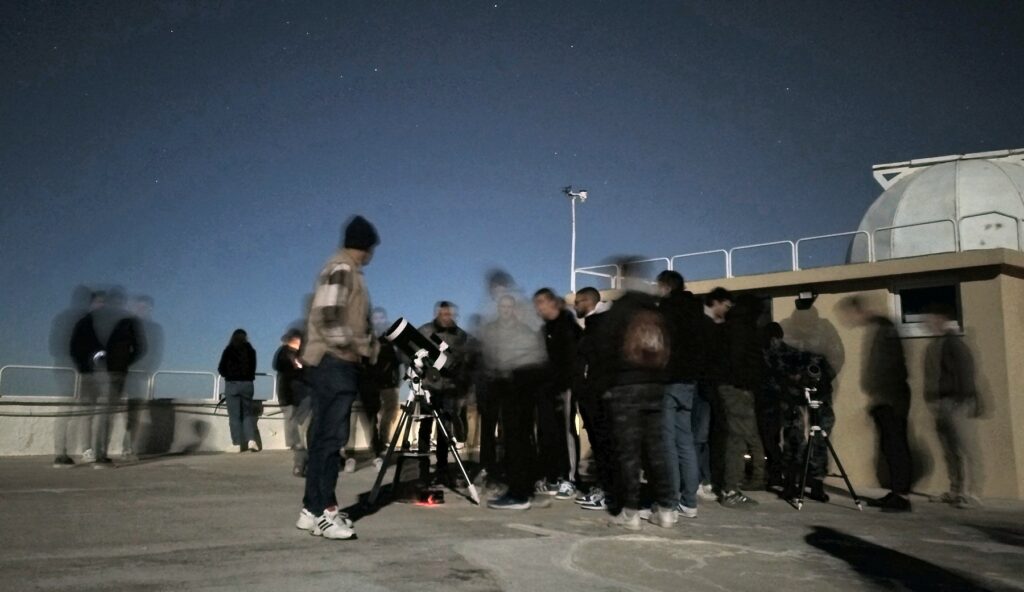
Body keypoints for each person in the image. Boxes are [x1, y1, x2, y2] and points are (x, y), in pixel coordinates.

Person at [294, 215, 379, 540]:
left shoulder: (342, 267)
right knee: (331, 440)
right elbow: (328, 315)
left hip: (329, 364)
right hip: (335, 363)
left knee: (322, 439)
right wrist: (354, 347)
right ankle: (325, 513)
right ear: (366, 247)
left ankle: (310, 509)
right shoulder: (343, 267)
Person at [595, 267, 675, 529]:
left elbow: (604, 349)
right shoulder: (655, 311)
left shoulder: (620, 310)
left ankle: (630, 512)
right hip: (655, 385)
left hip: (626, 386)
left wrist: (605, 385)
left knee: (628, 451)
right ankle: (665, 509)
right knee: (657, 448)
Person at [839, 296, 913, 513]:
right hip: (885, 398)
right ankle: (897, 492)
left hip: (891, 399)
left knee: (895, 445)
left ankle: (901, 496)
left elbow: (893, 366)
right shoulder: (878, 329)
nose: (849, 320)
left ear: (858, 311)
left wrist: (884, 397)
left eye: (850, 315)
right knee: (888, 446)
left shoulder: (885, 329)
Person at [483, 293, 549, 510]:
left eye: (509, 307)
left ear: (514, 309)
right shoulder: (491, 330)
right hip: (502, 391)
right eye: (503, 306)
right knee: (512, 440)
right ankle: (520, 488)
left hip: (519, 392)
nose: (506, 310)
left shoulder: (524, 331)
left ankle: (519, 493)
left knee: (519, 441)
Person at [763, 323, 836, 502]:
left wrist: (805, 383)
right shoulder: (778, 356)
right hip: (793, 399)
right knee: (794, 439)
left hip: (816, 398)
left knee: (816, 441)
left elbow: (826, 374)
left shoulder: (792, 356)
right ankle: (792, 483)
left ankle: (814, 483)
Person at [708, 292, 764, 508]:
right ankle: (730, 490)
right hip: (737, 388)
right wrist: (747, 383)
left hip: (729, 386)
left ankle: (728, 486)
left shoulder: (729, 326)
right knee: (737, 440)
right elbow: (739, 359)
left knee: (731, 438)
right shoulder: (743, 327)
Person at [924, 304, 982, 509]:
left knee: (966, 448)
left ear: (941, 320)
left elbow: (966, 372)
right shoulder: (935, 345)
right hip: (941, 403)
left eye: (931, 320)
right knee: (949, 450)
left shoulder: (954, 343)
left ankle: (973, 494)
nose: (927, 324)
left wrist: (963, 400)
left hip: (956, 402)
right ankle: (956, 490)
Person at [656, 270, 704, 518]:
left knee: (667, 444)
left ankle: (670, 502)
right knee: (685, 442)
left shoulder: (666, 310)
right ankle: (689, 502)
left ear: (666, 286)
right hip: (689, 382)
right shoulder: (696, 310)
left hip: (668, 381)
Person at [532, 288, 582, 500]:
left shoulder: (568, 326)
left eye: (541, 303)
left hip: (564, 388)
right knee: (547, 433)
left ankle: (569, 478)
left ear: (552, 303)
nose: (538, 308)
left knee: (566, 431)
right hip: (546, 390)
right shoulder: (544, 330)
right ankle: (551, 475)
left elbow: (572, 360)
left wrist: (564, 385)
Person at [571, 287, 616, 511]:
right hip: (591, 396)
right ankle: (603, 488)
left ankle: (609, 492)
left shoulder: (603, 325)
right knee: (599, 445)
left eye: (578, 302)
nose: (574, 306)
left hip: (600, 397)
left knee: (606, 445)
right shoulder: (592, 325)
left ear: (588, 301)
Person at [417, 301, 470, 486]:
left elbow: (464, 361)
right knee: (425, 428)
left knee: (444, 431)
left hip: (448, 388)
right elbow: (411, 352)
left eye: (449, 315)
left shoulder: (461, 336)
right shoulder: (425, 331)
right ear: (437, 314)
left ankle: (442, 469)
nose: (446, 318)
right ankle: (422, 469)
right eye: (443, 314)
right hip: (429, 387)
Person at [695, 287, 732, 501]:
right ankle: (699, 481)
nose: (726, 310)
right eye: (725, 306)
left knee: (703, 437)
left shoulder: (707, 324)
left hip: (704, 387)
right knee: (700, 437)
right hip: (703, 387)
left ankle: (703, 479)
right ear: (716, 302)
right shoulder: (703, 324)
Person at [49, 286, 93, 467]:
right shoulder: (87, 319)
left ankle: (61, 453)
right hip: (80, 371)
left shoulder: (61, 318)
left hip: (63, 368)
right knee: (86, 411)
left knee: (66, 411)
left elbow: (53, 347)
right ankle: (85, 450)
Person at [359, 307, 401, 470]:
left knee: (390, 412)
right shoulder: (366, 337)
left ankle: (382, 442)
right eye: (375, 318)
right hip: (370, 383)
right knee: (371, 418)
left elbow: (397, 359)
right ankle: (376, 449)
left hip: (388, 383)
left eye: (381, 318)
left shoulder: (390, 338)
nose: (378, 321)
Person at [122, 294, 162, 460]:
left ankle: (129, 448)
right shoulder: (126, 324)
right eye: (139, 306)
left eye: (145, 307)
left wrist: (148, 370)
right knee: (122, 411)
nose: (142, 310)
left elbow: (156, 352)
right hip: (123, 372)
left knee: (135, 412)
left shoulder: (155, 329)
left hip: (140, 375)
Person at [275, 329, 309, 476]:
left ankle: (300, 462)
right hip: (292, 396)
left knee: (301, 428)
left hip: (299, 396)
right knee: (297, 429)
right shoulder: (285, 354)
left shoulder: (296, 354)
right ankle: (300, 462)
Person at [218, 329, 259, 452]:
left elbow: (221, 368)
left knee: (234, 416)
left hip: (232, 384)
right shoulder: (251, 351)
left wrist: (228, 374)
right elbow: (253, 368)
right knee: (247, 414)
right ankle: (251, 441)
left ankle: (236, 444)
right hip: (247, 385)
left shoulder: (228, 350)